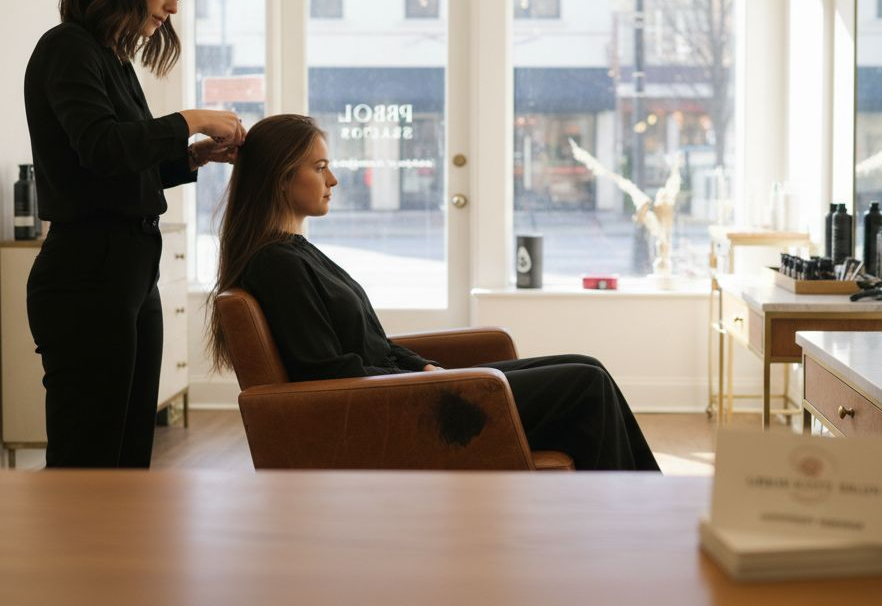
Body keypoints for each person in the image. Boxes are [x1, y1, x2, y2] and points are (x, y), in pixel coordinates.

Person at [208, 114, 660, 471]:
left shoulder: (295, 253)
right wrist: (422, 381)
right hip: (395, 410)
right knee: (585, 385)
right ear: (281, 178)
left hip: (406, 391)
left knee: (586, 365)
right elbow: (324, 371)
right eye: (320, 167)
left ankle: (636, 510)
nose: (333, 180)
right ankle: (639, 517)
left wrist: (420, 366)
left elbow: (373, 346)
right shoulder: (277, 264)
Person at [25, 0, 245, 468]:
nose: (173, 7)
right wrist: (191, 118)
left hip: (127, 272)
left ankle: (113, 556)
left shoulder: (112, 60)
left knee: (126, 457)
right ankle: (77, 557)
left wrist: (192, 156)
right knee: (89, 457)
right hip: (86, 274)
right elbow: (102, 147)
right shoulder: (66, 49)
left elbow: (116, 162)